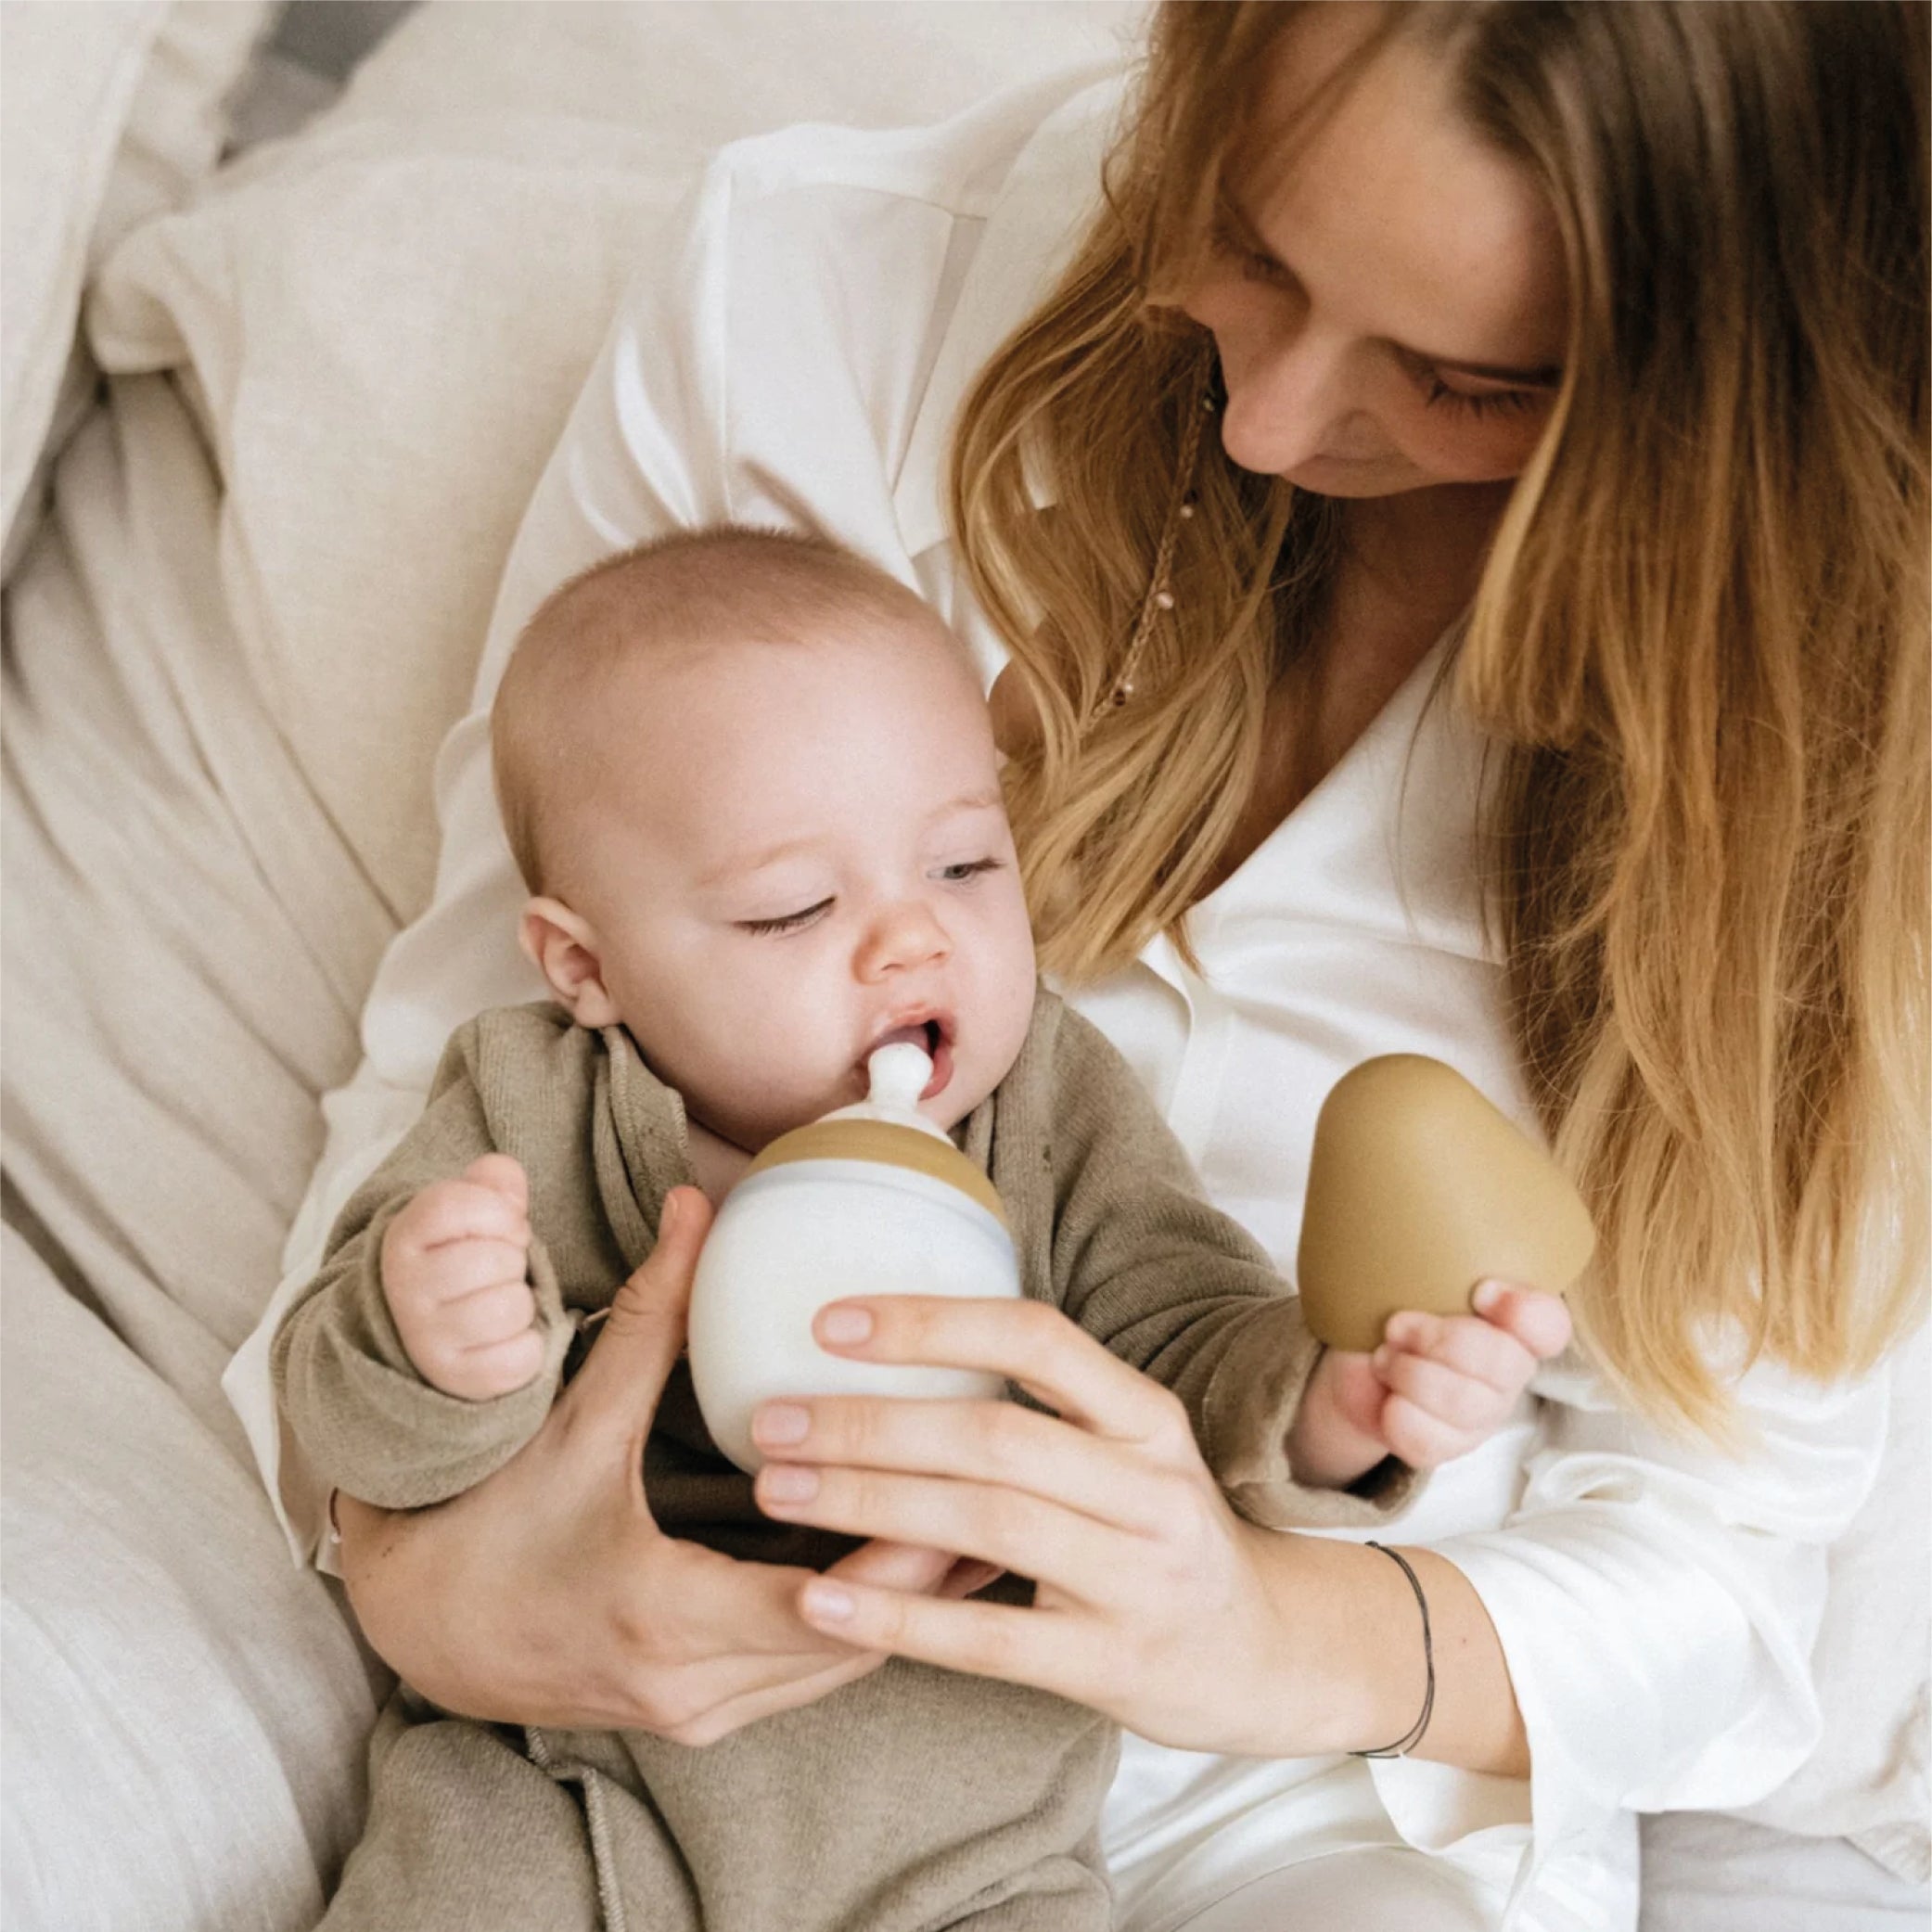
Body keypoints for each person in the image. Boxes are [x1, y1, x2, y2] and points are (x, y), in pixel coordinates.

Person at [226, 4, 1927, 1927]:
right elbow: (440, 1131)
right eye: (1248, 239)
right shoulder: (813, 299)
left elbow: (1717, 1567)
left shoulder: (1835, 723)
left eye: (1462, 378)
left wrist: (1292, 1539)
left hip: (1285, 1770)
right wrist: (436, 1567)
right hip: (612, 1745)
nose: (1269, 420)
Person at [271, 525, 1567, 1929]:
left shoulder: (1053, 1109)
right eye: (794, 909)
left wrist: (1329, 1405)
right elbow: (349, 1415)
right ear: (588, 967)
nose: (911, 943)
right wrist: (439, 1339)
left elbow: (1183, 1350)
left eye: (962, 868)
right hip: (567, 1787)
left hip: (961, 1844)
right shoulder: (528, 1107)